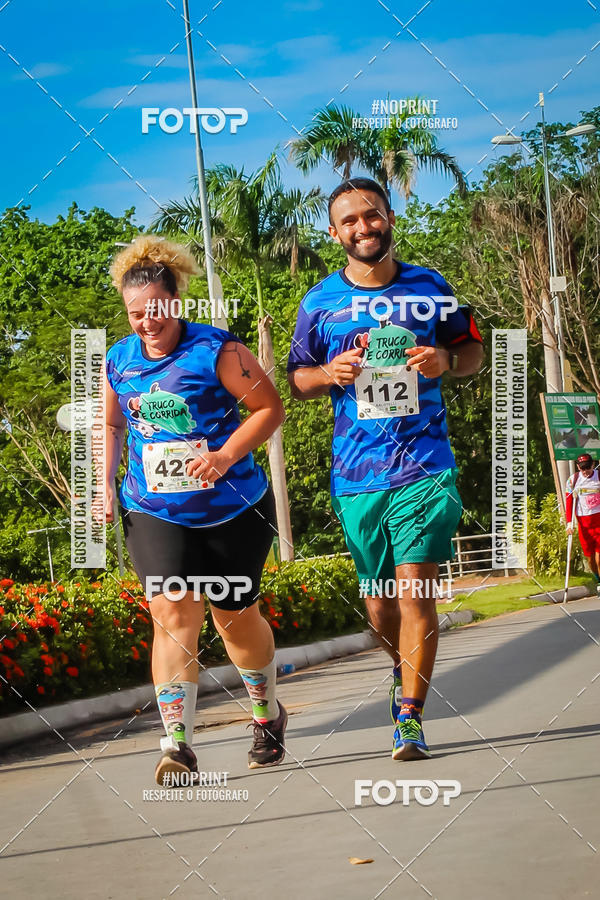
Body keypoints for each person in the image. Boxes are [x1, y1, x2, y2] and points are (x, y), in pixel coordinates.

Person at [287, 178, 484, 760]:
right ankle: (402, 674)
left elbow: (472, 352)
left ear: (390, 217)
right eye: (349, 221)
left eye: (371, 215)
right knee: (379, 606)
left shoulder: (431, 288)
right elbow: (297, 380)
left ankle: (410, 717)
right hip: (357, 473)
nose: (363, 227)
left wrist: (445, 358)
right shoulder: (319, 303)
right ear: (334, 233)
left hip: (424, 464)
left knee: (415, 590)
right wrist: (330, 373)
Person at [102, 235, 287, 784]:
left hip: (233, 508)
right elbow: (112, 423)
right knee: (173, 614)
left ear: (176, 302)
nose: (147, 323)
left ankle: (266, 715)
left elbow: (269, 408)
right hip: (154, 509)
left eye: (156, 310)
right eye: (136, 313)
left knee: (235, 620)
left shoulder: (218, 351)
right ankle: (177, 744)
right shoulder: (118, 360)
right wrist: (104, 482)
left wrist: (225, 455)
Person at [565, 453, 600, 585]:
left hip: (599, 521)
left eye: (588, 467)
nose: (585, 471)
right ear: (578, 467)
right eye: (582, 468)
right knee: (590, 559)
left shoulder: (599, 476)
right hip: (584, 525)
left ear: (593, 464)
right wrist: (569, 524)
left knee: (599, 558)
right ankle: (598, 579)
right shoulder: (573, 480)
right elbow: (569, 503)